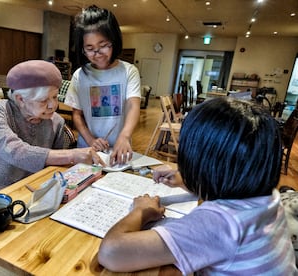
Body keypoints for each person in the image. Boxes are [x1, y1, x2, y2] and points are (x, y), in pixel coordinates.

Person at [98, 97, 297, 274]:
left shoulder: (221, 223)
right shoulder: (267, 196)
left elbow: (111, 253)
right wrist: (189, 182)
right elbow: (227, 188)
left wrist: (141, 211)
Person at [0, 60, 104, 203]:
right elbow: (15, 151)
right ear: (20, 99)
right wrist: (72, 154)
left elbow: (54, 169)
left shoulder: (56, 122)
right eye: (43, 100)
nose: (53, 105)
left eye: (55, 97)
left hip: (30, 193)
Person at [64, 5, 141, 166]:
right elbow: (77, 115)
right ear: (82, 49)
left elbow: (133, 106)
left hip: (119, 149)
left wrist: (125, 136)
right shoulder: (80, 75)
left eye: (104, 45)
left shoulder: (128, 71)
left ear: (114, 41)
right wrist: (91, 140)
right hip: (88, 149)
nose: (97, 54)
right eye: (90, 49)